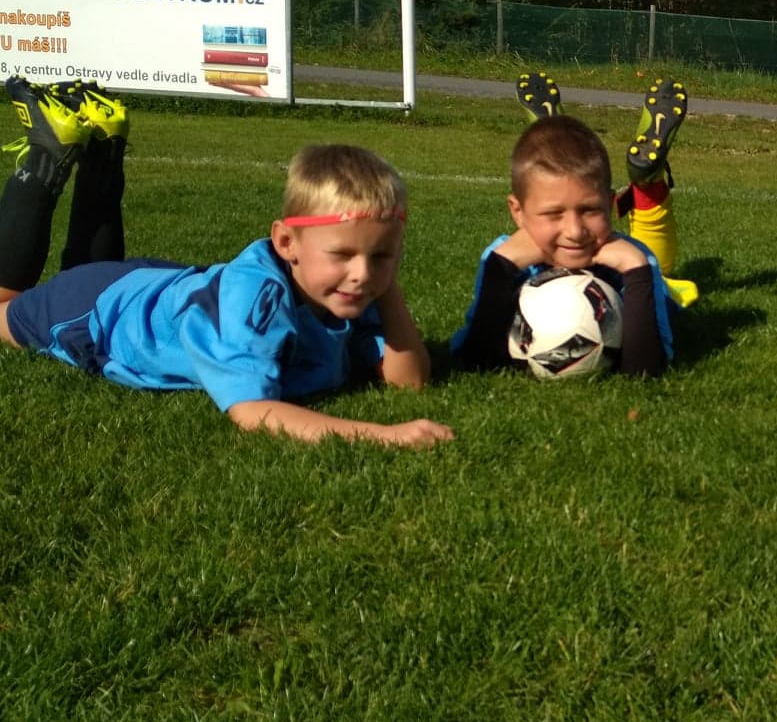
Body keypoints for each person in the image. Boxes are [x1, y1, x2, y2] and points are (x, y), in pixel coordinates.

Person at [0, 76, 452, 447]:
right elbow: (252, 411)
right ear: (287, 243)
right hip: (101, 309)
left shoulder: (351, 287)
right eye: (343, 254)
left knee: (84, 268)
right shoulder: (258, 300)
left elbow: (408, 381)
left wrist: (387, 289)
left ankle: (103, 146)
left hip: (153, 283)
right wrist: (383, 435)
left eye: (382, 254)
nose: (362, 273)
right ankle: (46, 154)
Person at [449, 75, 693, 375]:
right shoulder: (501, 258)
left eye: (590, 210)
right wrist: (501, 268)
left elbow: (644, 370)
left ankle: (563, 139)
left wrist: (636, 270)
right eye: (554, 214)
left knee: (666, 292)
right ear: (518, 212)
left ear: (610, 204)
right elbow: (477, 360)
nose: (575, 231)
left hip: (653, 288)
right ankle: (642, 181)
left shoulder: (635, 260)